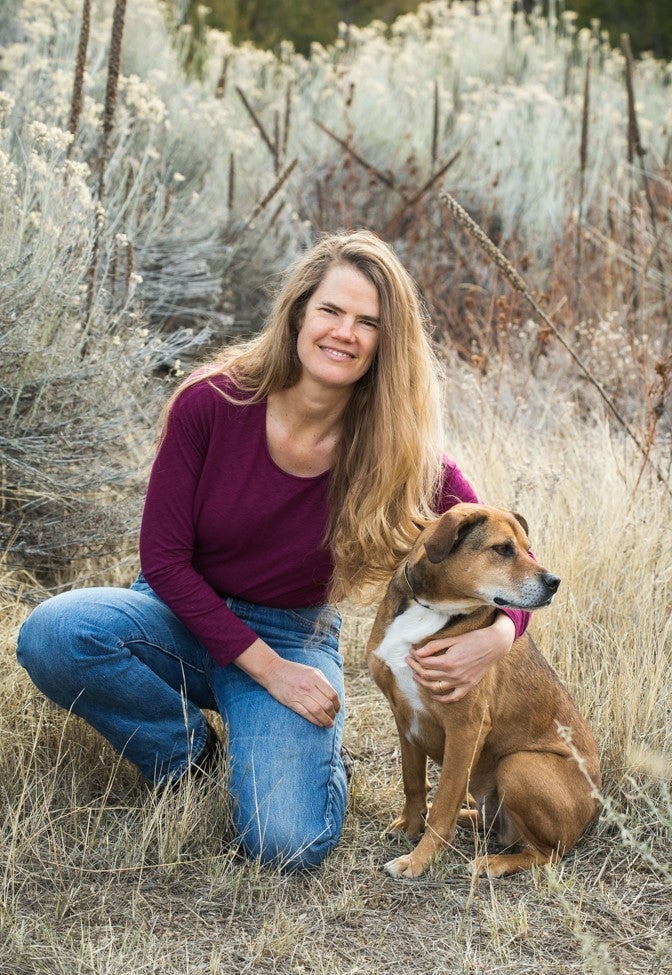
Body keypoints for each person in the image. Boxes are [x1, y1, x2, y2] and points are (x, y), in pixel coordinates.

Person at [16, 230, 529, 870]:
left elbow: (500, 547)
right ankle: (188, 761)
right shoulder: (211, 403)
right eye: (331, 311)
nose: (344, 332)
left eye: (367, 322)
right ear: (298, 314)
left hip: (293, 633)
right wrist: (269, 674)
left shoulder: (400, 453)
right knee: (54, 633)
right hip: (178, 616)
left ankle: (308, 760)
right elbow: (164, 564)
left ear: (385, 344)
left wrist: (502, 633)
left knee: (289, 843)